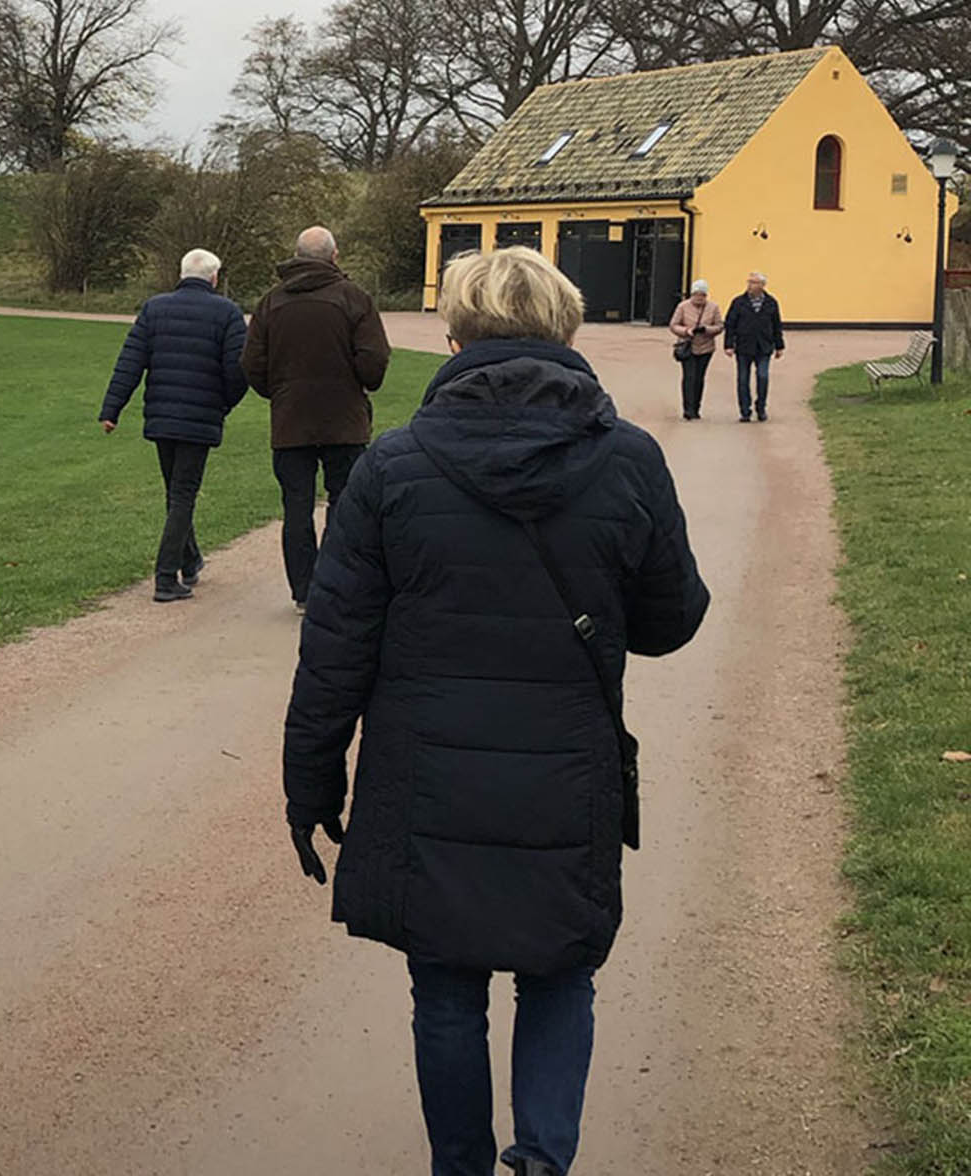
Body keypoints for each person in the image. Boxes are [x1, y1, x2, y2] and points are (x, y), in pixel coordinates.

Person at [283, 246, 709, 1176]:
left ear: (456, 334)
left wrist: (310, 780)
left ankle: (463, 1166)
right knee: (559, 973)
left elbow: (335, 647)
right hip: (566, 765)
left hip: (428, 770)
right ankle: (543, 1159)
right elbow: (671, 620)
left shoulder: (395, 468)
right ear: (566, 328)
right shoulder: (626, 459)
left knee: (444, 988)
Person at [243, 226, 391, 612]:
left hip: (291, 418)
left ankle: (304, 590)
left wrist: (280, 392)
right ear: (334, 256)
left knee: (296, 506)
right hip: (345, 418)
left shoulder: (270, 303)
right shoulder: (354, 299)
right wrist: (355, 381)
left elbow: (252, 364)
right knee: (344, 503)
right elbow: (374, 363)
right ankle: (335, 580)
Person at [98, 248, 249, 602]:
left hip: (162, 416)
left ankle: (190, 559)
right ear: (214, 278)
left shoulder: (155, 308)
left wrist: (112, 409)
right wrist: (223, 403)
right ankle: (166, 577)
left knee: (176, 492)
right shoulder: (227, 313)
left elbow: (130, 362)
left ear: (181, 274)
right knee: (183, 494)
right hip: (200, 416)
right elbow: (238, 371)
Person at [722, 271, 784, 422]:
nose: (750, 285)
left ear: (762, 285)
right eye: (749, 282)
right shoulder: (738, 302)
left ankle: (761, 407)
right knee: (743, 379)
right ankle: (745, 410)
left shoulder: (771, 303)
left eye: (754, 282)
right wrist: (728, 344)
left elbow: (776, 324)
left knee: (763, 376)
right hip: (744, 346)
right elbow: (730, 324)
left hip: (764, 346)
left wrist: (779, 346)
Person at [668, 279, 724, 422]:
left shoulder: (713, 307)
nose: (699, 298)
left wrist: (706, 329)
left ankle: (697, 407)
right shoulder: (683, 307)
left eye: (702, 295)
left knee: (699, 378)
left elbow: (719, 326)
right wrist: (687, 330)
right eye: (696, 295)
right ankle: (688, 409)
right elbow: (673, 325)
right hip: (688, 346)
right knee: (689, 377)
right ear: (692, 294)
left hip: (706, 347)